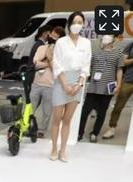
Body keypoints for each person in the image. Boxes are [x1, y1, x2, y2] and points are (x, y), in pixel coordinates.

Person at [50, 12, 91, 162]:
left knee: (67, 120)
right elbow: (57, 64)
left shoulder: (86, 43)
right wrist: (65, 84)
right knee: (57, 119)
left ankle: (63, 150)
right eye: (74, 22)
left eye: (80, 22)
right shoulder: (61, 42)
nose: (77, 25)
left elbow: (86, 66)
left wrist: (79, 84)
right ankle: (54, 148)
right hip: (61, 81)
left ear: (83, 24)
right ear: (69, 24)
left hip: (77, 82)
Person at [78, 34, 124, 143]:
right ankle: (79, 132)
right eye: (104, 35)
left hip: (107, 88)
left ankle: (94, 133)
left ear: (113, 39)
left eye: (108, 36)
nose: (105, 37)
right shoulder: (95, 51)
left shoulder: (118, 53)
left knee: (101, 113)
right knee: (85, 112)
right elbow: (88, 67)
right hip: (93, 87)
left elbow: (119, 69)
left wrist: (118, 84)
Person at [30, 26, 65, 138]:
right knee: (30, 108)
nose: (53, 36)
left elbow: (57, 69)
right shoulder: (41, 48)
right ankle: (28, 127)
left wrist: (49, 59)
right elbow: (36, 64)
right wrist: (49, 62)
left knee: (47, 110)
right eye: (53, 34)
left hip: (50, 85)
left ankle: (42, 130)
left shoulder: (61, 53)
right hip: (36, 83)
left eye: (56, 36)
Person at [104, 39, 133, 139]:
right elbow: (123, 62)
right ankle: (112, 128)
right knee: (118, 106)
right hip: (129, 80)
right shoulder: (131, 45)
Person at [26, 25, 53, 91]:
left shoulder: (38, 43)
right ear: (44, 33)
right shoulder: (40, 45)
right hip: (34, 74)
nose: (51, 36)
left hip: (31, 73)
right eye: (49, 34)